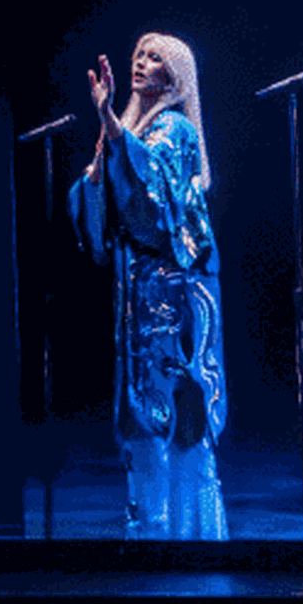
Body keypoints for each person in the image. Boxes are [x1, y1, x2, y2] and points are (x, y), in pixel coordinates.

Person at [68, 33, 228, 539]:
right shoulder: (136, 131)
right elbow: (105, 207)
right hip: (139, 291)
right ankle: (150, 531)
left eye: (155, 56)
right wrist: (99, 167)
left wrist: (112, 128)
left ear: (176, 76)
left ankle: (186, 536)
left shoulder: (175, 129)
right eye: (138, 53)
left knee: (177, 407)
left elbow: (156, 203)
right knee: (140, 410)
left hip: (177, 294)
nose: (141, 62)